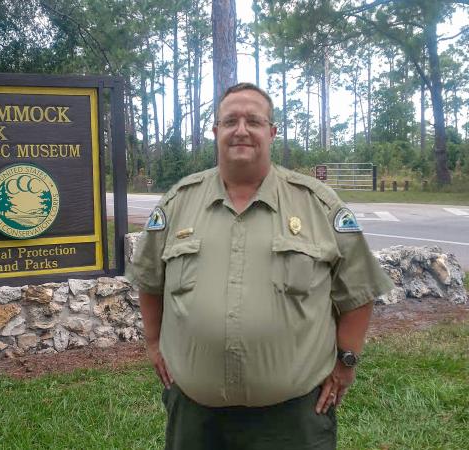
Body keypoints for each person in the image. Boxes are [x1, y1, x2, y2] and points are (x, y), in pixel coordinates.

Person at [126, 82, 394, 450]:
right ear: (216, 130)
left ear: (272, 132)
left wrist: (347, 362)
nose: (241, 129)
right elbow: (150, 280)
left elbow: (358, 291)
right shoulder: (177, 204)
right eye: (230, 120)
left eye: (254, 120)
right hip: (196, 417)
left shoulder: (318, 205)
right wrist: (154, 343)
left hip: (292, 419)